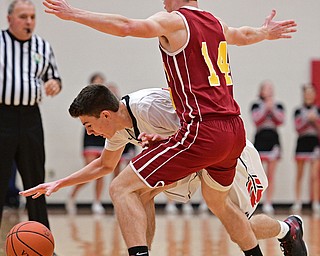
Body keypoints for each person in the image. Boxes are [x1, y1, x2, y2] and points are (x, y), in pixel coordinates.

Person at [25, 1, 298, 255]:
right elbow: (243, 35)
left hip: (203, 133)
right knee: (219, 206)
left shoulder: (175, 22)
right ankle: (285, 233)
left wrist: (74, 14)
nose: (163, 4)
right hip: (232, 130)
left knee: (122, 188)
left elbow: (126, 27)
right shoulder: (215, 23)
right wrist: (264, 33)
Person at [21, 85, 307, 256]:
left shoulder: (150, 106)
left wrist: (166, 140)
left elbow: (201, 125)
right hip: (193, 162)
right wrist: (58, 183)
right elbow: (105, 164)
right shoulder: (119, 128)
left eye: (89, 125)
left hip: (226, 152)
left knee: (240, 229)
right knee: (136, 191)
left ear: (105, 114)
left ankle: (287, 229)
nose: (92, 132)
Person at [0, 0, 61, 233]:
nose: (29, 21)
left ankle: (43, 237)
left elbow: (53, 76)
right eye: (23, 16)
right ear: (9, 19)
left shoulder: (42, 46)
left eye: (32, 17)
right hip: (2, 116)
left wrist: (55, 83)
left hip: (30, 119)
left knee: (36, 182)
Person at [250, 80, 285, 214]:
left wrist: (272, 109)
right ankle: (254, 202)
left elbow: (281, 121)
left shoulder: (278, 105)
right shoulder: (255, 105)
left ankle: (268, 202)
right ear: (261, 91)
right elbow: (256, 120)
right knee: (257, 174)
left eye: (271, 88)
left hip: (273, 140)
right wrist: (266, 108)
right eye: (266, 88)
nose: (269, 90)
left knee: (271, 174)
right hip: (260, 139)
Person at [291, 84, 320, 213]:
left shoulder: (318, 111)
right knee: (300, 174)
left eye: (311, 93)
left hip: (314, 143)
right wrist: (306, 119)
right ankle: (298, 201)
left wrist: (315, 121)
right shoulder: (298, 111)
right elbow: (297, 128)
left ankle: (315, 203)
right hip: (302, 143)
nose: (309, 95)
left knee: (315, 175)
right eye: (307, 93)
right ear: (303, 95)